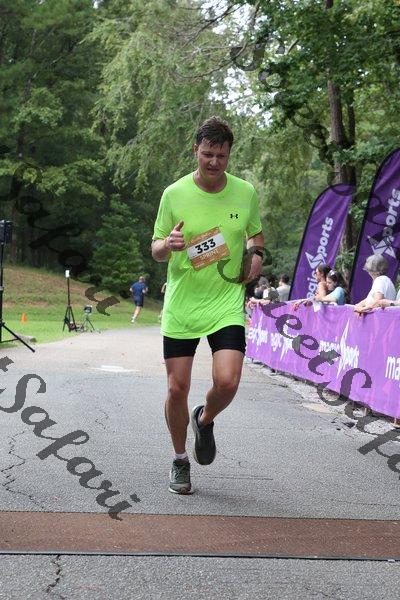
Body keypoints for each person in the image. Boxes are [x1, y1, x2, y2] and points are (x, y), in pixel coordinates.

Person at [151, 116, 264, 494]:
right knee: (176, 388)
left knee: (228, 380)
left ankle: (205, 418)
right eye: (207, 154)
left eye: (221, 155)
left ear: (229, 154)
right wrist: (167, 245)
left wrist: (257, 255)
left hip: (225, 301)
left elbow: (256, 235)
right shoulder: (174, 194)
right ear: (195, 151)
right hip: (183, 303)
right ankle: (180, 459)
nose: (214, 162)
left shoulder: (245, 192)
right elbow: (155, 249)